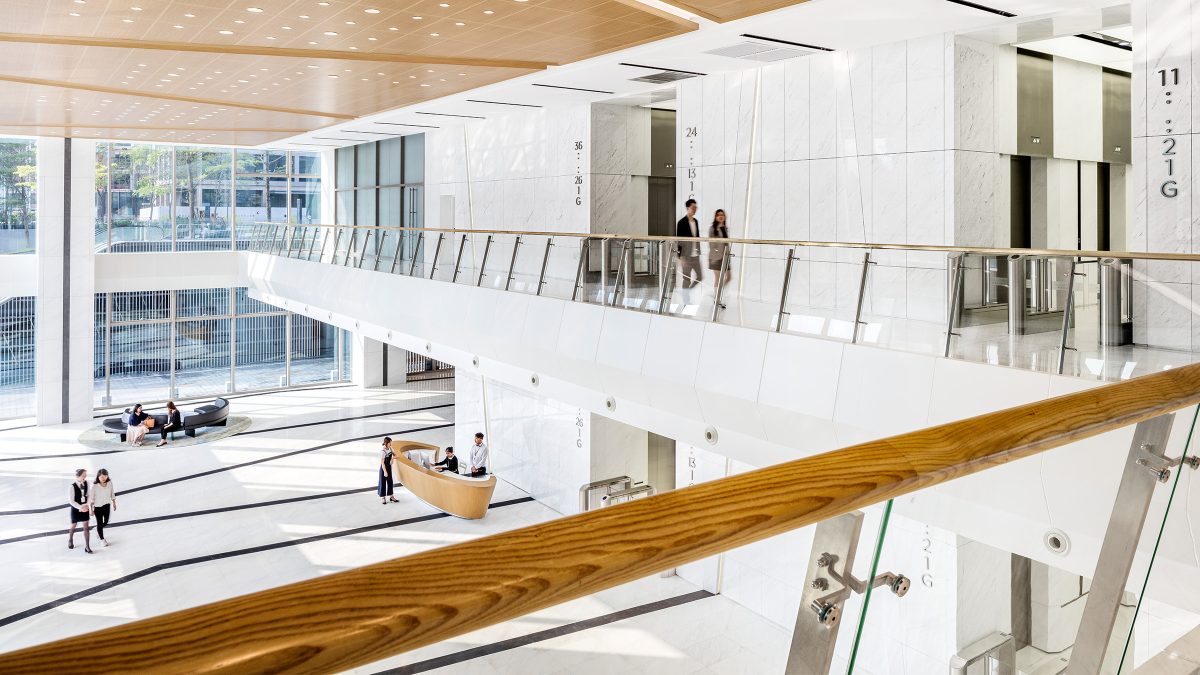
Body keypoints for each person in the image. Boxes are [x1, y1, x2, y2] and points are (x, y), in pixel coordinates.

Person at [676, 199, 704, 290]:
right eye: (693, 207)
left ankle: (688, 291)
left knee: (700, 277)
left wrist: (698, 251)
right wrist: (679, 256)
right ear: (688, 208)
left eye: (696, 207)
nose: (695, 209)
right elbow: (679, 240)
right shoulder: (681, 223)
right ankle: (686, 301)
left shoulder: (695, 221)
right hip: (686, 255)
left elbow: (697, 237)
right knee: (686, 279)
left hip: (695, 255)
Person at [68, 469, 93, 554]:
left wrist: (87, 505)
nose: (85, 477)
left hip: (85, 507)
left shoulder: (87, 483)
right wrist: (80, 507)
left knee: (86, 527)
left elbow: (89, 495)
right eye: (83, 476)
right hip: (76, 509)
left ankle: (87, 546)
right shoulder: (72, 486)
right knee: (73, 526)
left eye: (85, 475)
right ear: (77, 476)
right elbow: (71, 501)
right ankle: (70, 538)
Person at [708, 209, 733, 295]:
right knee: (718, 279)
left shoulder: (725, 228)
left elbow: (726, 243)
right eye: (718, 215)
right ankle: (716, 297)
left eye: (722, 215)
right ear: (715, 217)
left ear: (725, 217)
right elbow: (711, 244)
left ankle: (718, 294)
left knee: (729, 277)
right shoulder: (712, 228)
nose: (720, 216)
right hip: (716, 257)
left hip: (725, 256)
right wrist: (716, 255)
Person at [90, 469, 116, 546]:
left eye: (105, 476)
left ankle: (97, 528)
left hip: (107, 505)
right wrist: (91, 509)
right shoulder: (94, 486)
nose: (103, 478)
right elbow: (91, 499)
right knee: (100, 523)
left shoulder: (109, 483)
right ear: (98, 477)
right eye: (101, 477)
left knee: (106, 521)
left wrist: (114, 503)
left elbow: (112, 493)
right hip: (98, 507)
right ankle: (102, 539)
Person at [378, 437, 399, 504]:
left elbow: (395, 455)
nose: (391, 444)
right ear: (386, 443)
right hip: (383, 469)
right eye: (390, 443)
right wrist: (385, 471)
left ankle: (391, 496)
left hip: (389, 468)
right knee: (382, 483)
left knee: (390, 482)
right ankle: (383, 497)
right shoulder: (383, 451)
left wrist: (392, 458)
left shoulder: (390, 448)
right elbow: (382, 463)